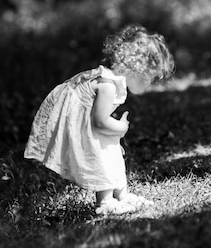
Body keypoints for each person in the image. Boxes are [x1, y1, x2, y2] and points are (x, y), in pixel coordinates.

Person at [24, 24, 174, 215]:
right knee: (102, 156)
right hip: (80, 125)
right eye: (149, 79)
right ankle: (105, 203)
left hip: (86, 121)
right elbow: (100, 121)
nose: (150, 84)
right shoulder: (108, 85)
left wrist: (112, 136)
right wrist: (120, 128)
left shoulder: (114, 81)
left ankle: (121, 195)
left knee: (113, 154)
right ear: (137, 69)